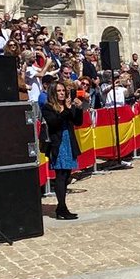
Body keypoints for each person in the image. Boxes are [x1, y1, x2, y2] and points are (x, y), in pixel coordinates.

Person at [42, 80, 84, 220]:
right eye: (59, 91)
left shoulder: (67, 105)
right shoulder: (48, 107)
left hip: (69, 141)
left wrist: (78, 108)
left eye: (63, 91)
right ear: (53, 92)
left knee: (67, 175)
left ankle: (61, 208)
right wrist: (66, 109)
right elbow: (55, 123)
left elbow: (77, 122)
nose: (62, 93)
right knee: (60, 175)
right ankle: (62, 207)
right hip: (57, 143)